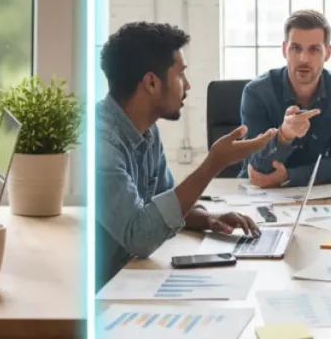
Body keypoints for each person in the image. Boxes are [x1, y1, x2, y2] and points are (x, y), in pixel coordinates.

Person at [96, 22, 276, 290]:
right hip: (102, 292)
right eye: (180, 75)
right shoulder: (102, 146)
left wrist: (206, 219)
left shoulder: (146, 130)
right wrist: (214, 163)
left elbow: (162, 201)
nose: (188, 85)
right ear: (152, 82)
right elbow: (140, 236)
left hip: (131, 277)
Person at [239, 10, 331, 188]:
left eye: (314, 49)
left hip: (316, 194)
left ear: (327, 53)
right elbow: (257, 168)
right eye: (295, 48)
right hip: (256, 195)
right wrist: (283, 136)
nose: (304, 59)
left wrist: (289, 176)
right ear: (284, 50)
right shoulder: (257, 92)